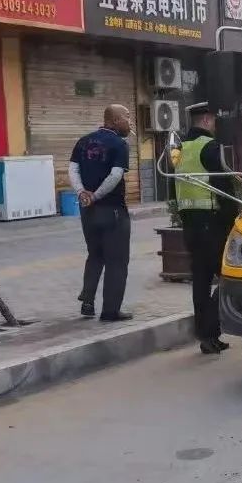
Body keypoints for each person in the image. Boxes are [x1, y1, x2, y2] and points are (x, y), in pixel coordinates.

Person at [175, 102, 237, 355]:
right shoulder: (209, 147)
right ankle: (211, 328)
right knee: (230, 277)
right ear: (208, 121)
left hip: (190, 223)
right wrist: (233, 217)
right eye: (214, 120)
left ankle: (206, 335)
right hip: (213, 223)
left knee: (200, 281)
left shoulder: (180, 148)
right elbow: (223, 185)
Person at [69, 104, 134, 322]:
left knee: (95, 255)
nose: (130, 121)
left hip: (87, 211)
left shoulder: (83, 140)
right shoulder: (119, 144)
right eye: (127, 117)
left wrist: (82, 194)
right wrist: (96, 195)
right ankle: (111, 311)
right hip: (112, 211)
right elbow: (115, 176)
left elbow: (73, 169)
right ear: (115, 121)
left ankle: (87, 301)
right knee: (117, 261)